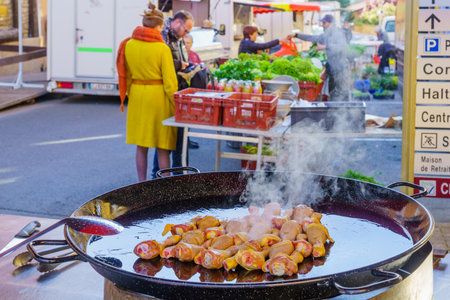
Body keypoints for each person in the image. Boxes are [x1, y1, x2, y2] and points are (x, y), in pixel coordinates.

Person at [116, 2, 178, 181]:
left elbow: (125, 74)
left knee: (141, 146)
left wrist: (131, 94)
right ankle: (164, 186)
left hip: (137, 96)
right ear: (159, 26)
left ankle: (141, 183)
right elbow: (169, 83)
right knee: (162, 147)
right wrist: (176, 104)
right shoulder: (162, 48)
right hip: (158, 99)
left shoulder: (128, 44)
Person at [152, 10, 196, 177]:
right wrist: (181, 65)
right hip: (168, 94)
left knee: (179, 139)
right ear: (177, 22)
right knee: (165, 139)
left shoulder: (178, 39)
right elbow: (162, 63)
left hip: (179, 91)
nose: (187, 34)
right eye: (186, 30)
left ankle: (179, 175)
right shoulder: (164, 36)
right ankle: (157, 178)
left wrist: (190, 67)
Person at [290, 14, 350, 102]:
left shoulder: (339, 34)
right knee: (332, 93)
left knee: (341, 94)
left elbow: (342, 47)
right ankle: (334, 114)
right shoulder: (325, 35)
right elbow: (312, 38)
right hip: (332, 68)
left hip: (341, 69)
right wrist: (296, 35)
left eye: (324, 23)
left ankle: (344, 114)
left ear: (331, 24)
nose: (322, 24)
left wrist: (325, 47)